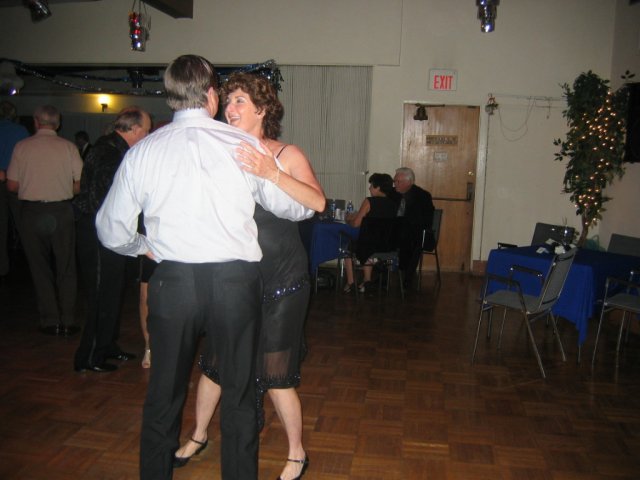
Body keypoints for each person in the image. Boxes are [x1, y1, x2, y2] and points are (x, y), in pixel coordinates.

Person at [95, 55, 314, 480]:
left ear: (171, 97)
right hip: (234, 282)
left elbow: (109, 229)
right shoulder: (241, 145)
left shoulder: (144, 150)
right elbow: (296, 209)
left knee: (163, 394)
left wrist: (144, 246)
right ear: (211, 95)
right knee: (239, 394)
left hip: (174, 281)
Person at [173, 72, 324, 480]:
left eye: (239, 100)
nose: (230, 108)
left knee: (276, 373)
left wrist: (271, 171)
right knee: (216, 363)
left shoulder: (286, 152)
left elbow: (317, 201)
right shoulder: (220, 152)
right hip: (235, 279)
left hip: (283, 280)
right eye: (227, 101)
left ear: (262, 109)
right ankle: (199, 434)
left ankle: (297, 453)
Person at [73, 107, 152, 373]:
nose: (147, 136)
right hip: (98, 233)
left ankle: (106, 345)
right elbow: (106, 200)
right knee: (100, 295)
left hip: (108, 232)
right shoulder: (108, 152)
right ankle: (89, 357)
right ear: (135, 130)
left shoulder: (114, 149)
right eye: (146, 131)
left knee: (112, 292)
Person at [7, 105, 83, 335]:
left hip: (32, 212)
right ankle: (68, 319)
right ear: (57, 124)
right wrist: (62, 187)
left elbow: (12, 185)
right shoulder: (68, 147)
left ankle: (50, 320)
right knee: (66, 266)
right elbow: (80, 183)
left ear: (36, 122)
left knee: (39, 268)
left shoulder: (22, 147)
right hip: (61, 210)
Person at [342, 173, 401, 294]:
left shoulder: (369, 201)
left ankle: (351, 283)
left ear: (378, 187)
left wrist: (348, 220)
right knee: (368, 244)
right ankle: (366, 281)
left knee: (348, 247)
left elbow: (356, 224)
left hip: (368, 246)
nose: (369, 188)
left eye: (371, 185)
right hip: (388, 246)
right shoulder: (393, 204)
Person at [0, 101, 29, 279]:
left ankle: (2, 267)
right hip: (15, 181)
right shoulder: (20, 131)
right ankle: (33, 263)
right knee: (23, 223)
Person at [393, 167, 435, 288]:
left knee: (412, 240)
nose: (395, 184)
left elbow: (425, 220)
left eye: (398, 181)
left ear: (409, 182)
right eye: (394, 181)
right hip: (396, 230)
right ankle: (382, 275)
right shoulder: (393, 194)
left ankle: (407, 276)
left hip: (417, 232)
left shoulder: (422, 196)